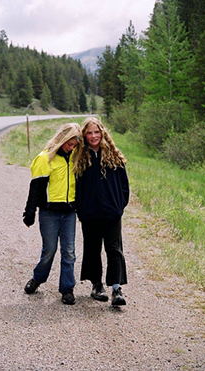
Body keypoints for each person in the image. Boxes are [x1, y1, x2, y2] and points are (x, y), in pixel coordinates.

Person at [23, 122, 81, 305]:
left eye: (74, 145)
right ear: (62, 139)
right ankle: (37, 278)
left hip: (69, 213)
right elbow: (36, 189)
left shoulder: (75, 159)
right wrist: (29, 212)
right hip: (49, 213)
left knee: (69, 252)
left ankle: (67, 289)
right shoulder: (45, 159)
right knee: (49, 250)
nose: (71, 148)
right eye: (69, 144)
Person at [74, 117, 130, 306]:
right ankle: (96, 285)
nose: (93, 136)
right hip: (90, 214)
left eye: (96, 132)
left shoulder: (114, 156)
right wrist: (81, 209)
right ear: (84, 135)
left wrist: (119, 206)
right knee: (92, 249)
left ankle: (116, 288)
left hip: (111, 213)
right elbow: (76, 188)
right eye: (89, 133)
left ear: (102, 132)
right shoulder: (80, 158)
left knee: (114, 250)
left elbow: (124, 186)